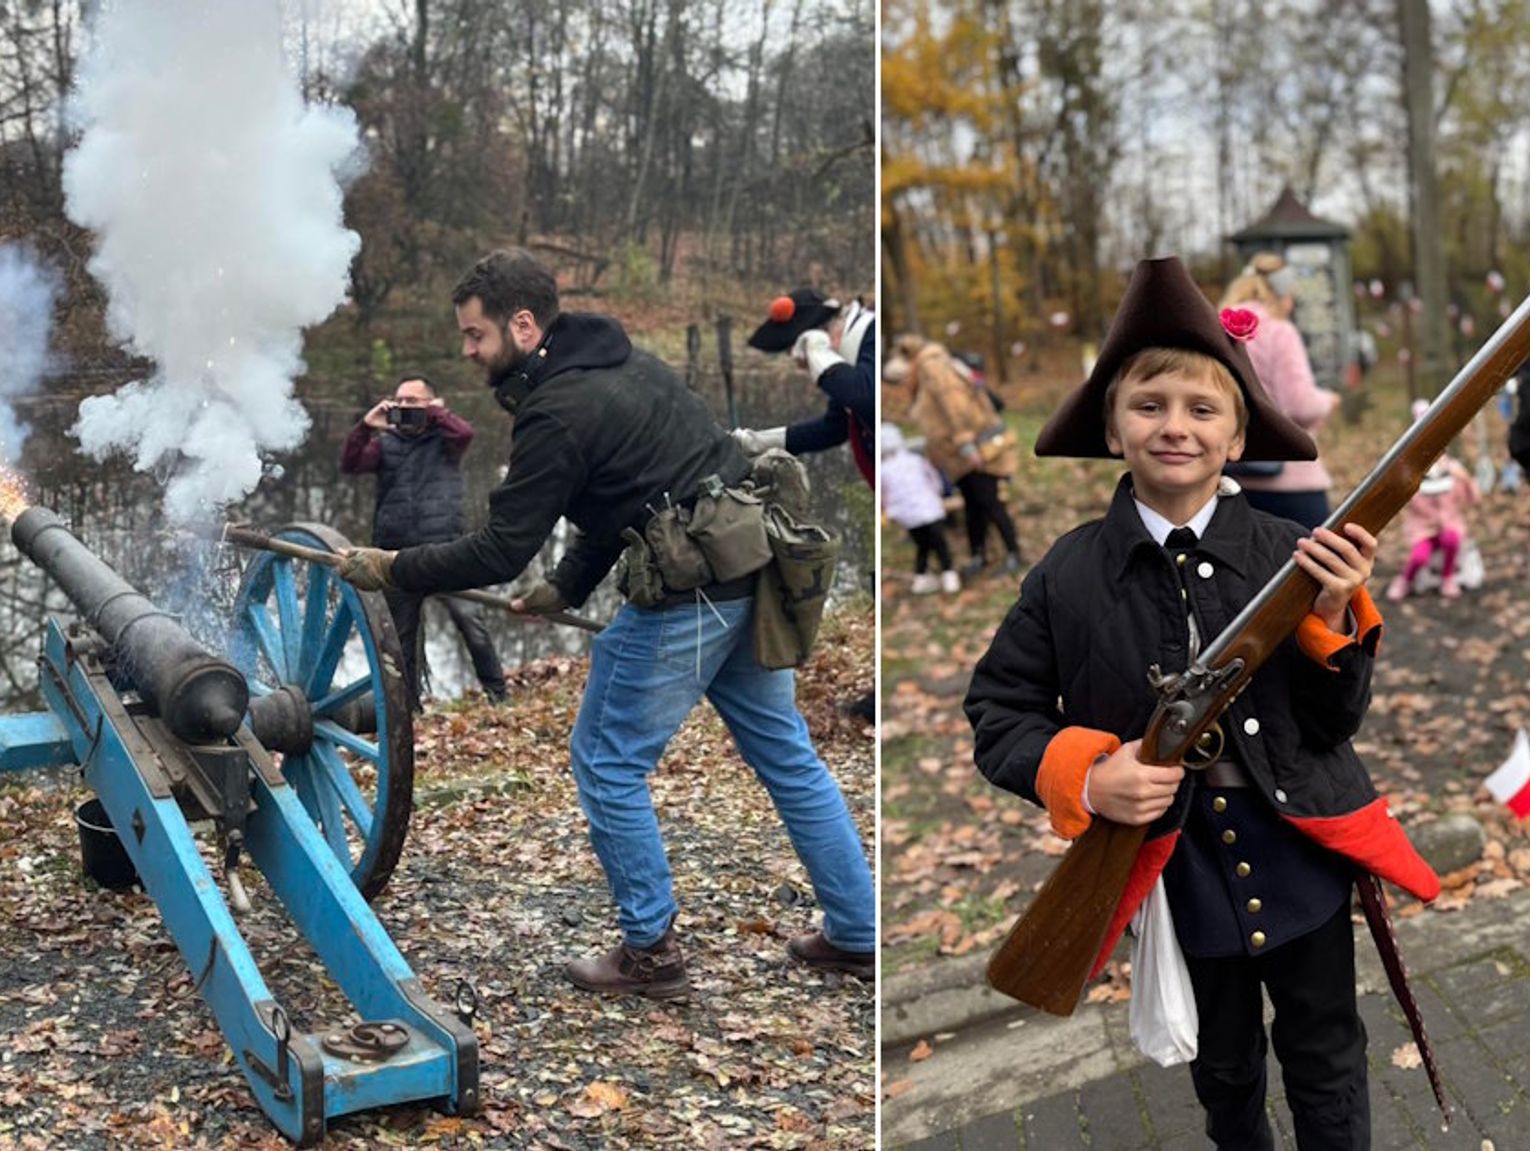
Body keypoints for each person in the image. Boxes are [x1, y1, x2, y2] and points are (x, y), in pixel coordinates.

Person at [964, 257, 1439, 1150]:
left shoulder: (1293, 553)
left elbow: (1334, 726)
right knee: (1224, 1074)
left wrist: (1332, 619)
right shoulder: (1067, 573)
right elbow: (999, 713)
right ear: (1112, 429)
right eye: (1149, 406)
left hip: (1298, 858)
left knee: (1329, 1057)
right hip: (1179, 875)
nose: (1174, 426)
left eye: (1201, 409)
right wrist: (1090, 775)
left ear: (1236, 436)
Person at [335, 249, 875, 996]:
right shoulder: (627, 363)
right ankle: (857, 931)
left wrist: (394, 566)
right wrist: (567, 583)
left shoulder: (556, 410)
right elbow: (635, 489)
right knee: (789, 757)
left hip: (693, 590)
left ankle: (651, 953)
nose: (467, 351)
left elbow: (497, 549)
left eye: (475, 335)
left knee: (605, 756)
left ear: (523, 325)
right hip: (751, 568)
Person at [340, 375, 507, 709]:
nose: (404, 407)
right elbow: (351, 463)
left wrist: (434, 414)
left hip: (446, 552)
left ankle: (499, 696)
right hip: (396, 556)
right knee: (401, 640)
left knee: (471, 624)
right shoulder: (385, 443)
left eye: (412, 401)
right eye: (399, 401)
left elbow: (466, 433)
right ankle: (408, 708)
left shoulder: (446, 439)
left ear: (432, 403)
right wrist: (366, 426)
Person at [1218, 252, 1340, 529]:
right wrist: (1328, 401)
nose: (1292, 302)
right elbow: (1299, 404)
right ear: (1282, 294)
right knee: (1314, 567)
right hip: (1289, 483)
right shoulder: (1278, 331)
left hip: (1229, 479)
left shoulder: (1221, 333)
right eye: (1291, 295)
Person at [896, 333, 1022, 578]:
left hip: (972, 448)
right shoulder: (925, 370)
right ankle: (979, 554)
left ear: (908, 356)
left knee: (989, 500)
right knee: (973, 504)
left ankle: (1013, 552)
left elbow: (954, 405)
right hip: (956, 456)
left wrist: (966, 444)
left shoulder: (932, 367)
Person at [735, 287, 876, 487]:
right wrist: (751, 442)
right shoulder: (852, 369)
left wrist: (817, 352)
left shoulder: (872, 335)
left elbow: (865, 398)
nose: (803, 366)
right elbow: (833, 429)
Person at [1388, 399, 1482, 602]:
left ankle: (1448, 577)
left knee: (1452, 537)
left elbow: (1473, 499)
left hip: (1449, 524)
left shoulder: (1452, 469)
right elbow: (1407, 504)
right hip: (1423, 528)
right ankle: (1405, 579)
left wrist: (1464, 478)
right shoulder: (1412, 472)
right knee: (1420, 555)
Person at [881, 423, 959, 595]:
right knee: (940, 544)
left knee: (922, 545)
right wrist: (938, 496)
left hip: (907, 516)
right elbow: (934, 480)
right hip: (930, 509)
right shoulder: (916, 461)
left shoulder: (882, 470)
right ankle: (949, 575)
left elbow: (883, 496)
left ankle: (920, 578)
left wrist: (887, 511)